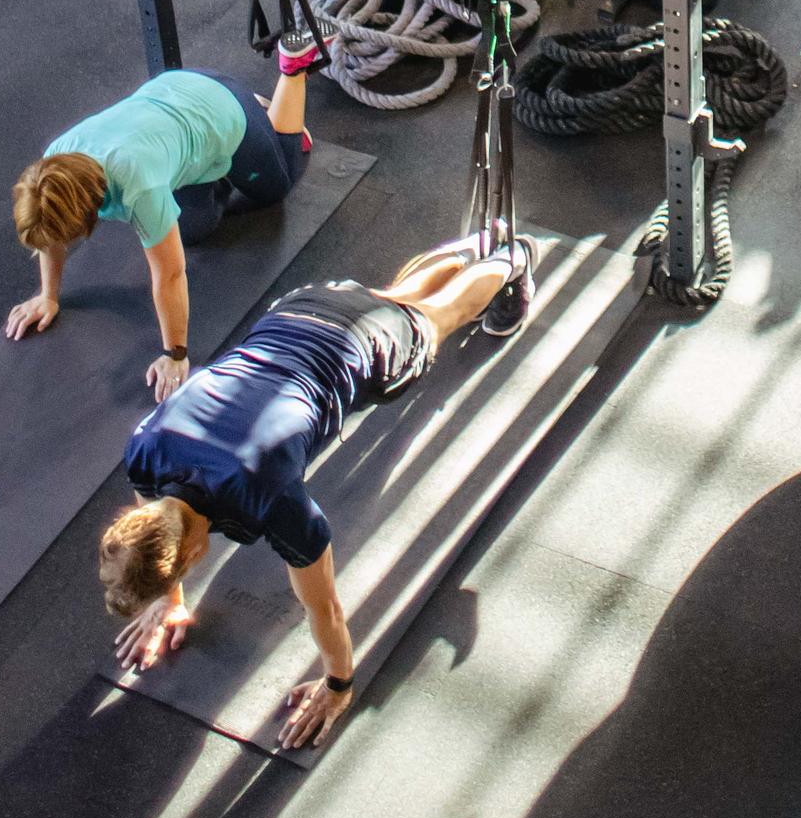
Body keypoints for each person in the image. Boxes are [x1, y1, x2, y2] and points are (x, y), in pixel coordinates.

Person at [99, 243, 531, 749]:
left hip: (371, 346)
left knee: (443, 314)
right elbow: (159, 529)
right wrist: (169, 602)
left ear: (193, 554)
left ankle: (510, 259)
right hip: (302, 307)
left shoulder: (264, 494)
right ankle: (467, 253)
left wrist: (338, 685)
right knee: (390, 299)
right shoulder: (146, 451)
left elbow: (324, 608)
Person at [5, 48, 320, 399]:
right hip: (172, 94)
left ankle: (292, 71)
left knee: (275, 187)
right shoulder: (55, 165)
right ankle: (216, 151)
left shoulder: (138, 185)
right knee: (194, 229)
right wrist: (48, 296)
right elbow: (50, 235)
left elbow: (169, 275)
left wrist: (175, 354)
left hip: (221, 109)